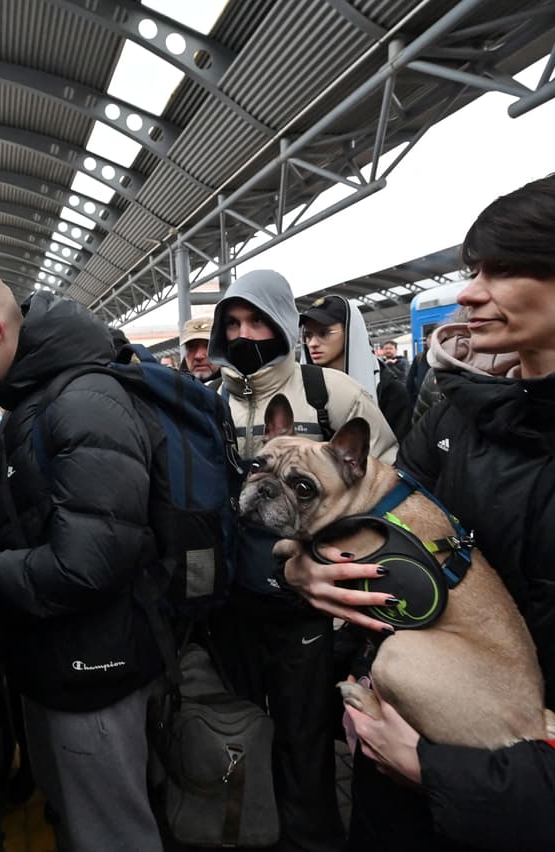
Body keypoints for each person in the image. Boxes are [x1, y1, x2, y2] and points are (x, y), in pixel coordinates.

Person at [284, 161, 555, 851]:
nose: (468, 293)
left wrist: (448, 774)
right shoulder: (458, 410)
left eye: (501, 271)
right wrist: (310, 571)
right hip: (405, 798)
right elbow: (388, 553)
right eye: (473, 269)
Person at [0, 256, 165, 851]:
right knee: (78, 822)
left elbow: (86, 563)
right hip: (62, 663)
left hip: (95, 670)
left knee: (110, 834)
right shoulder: (42, 395)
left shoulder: (80, 402)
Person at [206, 269, 397, 852]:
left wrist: (330, 562)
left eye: (258, 320)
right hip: (235, 599)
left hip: (310, 606)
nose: (245, 334)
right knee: (240, 724)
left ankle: (310, 838)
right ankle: (250, 827)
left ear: (283, 322)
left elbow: (385, 487)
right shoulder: (213, 402)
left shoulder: (331, 393)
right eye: (233, 323)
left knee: (306, 734)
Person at [300, 293, 413, 440]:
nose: (312, 343)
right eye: (308, 335)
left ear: (351, 332)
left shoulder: (389, 392)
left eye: (324, 333)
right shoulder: (300, 386)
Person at [180, 315, 220, 383]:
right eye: (191, 347)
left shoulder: (239, 390)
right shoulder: (170, 390)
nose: (198, 356)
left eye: (208, 345)